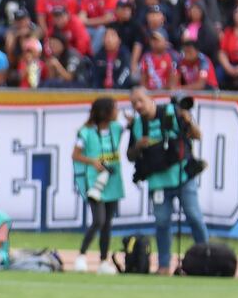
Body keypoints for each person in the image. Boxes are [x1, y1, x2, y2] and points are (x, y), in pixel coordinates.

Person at [127, 86, 209, 275]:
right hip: (157, 182)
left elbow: (197, 135)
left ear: (150, 98)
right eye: (134, 103)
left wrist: (188, 120)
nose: (138, 106)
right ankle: (164, 265)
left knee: (194, 217)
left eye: (140, 100)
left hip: (182, 177)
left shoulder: (173, 112)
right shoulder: (138, 125)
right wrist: (138, 146)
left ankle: (206, 258)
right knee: (162, 223)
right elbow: (130, 156)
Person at [72, 97, 124, 275]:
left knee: (107, 223)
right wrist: (92, 162)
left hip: (112, 182)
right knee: (98, 220)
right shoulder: (85, 132)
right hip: (94, 182)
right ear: (105, 112)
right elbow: (75, 155)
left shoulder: (117, 129)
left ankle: (103, 261)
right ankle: (81, 256)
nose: (118, 112)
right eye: (114, 108)